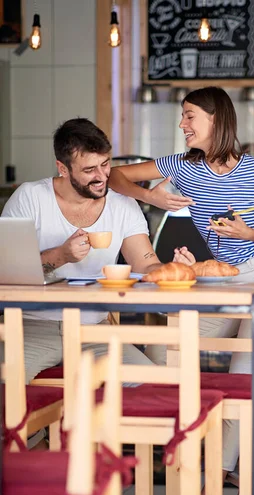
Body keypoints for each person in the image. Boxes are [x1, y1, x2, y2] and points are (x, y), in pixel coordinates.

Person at [108, 86, 254, 480]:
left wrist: (248, 234)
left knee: (244, 381)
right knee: (167, 345)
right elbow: (115, 176)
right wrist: (153, 199)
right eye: (182, 115)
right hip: (223, 282)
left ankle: (218, 473)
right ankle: (173, 440)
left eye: (190, 115)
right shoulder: (182, 166)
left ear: (216, 119)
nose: (182, 124)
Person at [0, 117, 164, 387]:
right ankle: (38, 429)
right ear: (63, 169)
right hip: (30, 329)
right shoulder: (30, 198)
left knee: (149, 384)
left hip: (94, 331)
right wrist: (61, 255)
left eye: (105, 164)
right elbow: (7, 273)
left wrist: (173, 269)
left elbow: (146, 264)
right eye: (89, 170)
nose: (102, 177)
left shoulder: (122, 204)